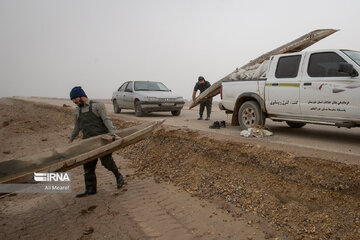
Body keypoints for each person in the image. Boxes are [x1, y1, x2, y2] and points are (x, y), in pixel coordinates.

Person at [69, 86, 124, 198]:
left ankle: (119, 177)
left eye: (75, 99)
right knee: (88, 167)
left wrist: (113, 133)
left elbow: (106, 120)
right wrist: (71, 139)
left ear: (81, 96)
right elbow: (77, 128)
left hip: (102, 141)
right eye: (73, 100)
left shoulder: (97, 106)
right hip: (88, 143)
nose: (74, 102)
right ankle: (90, 189)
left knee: (107, 162)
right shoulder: (77, 111)